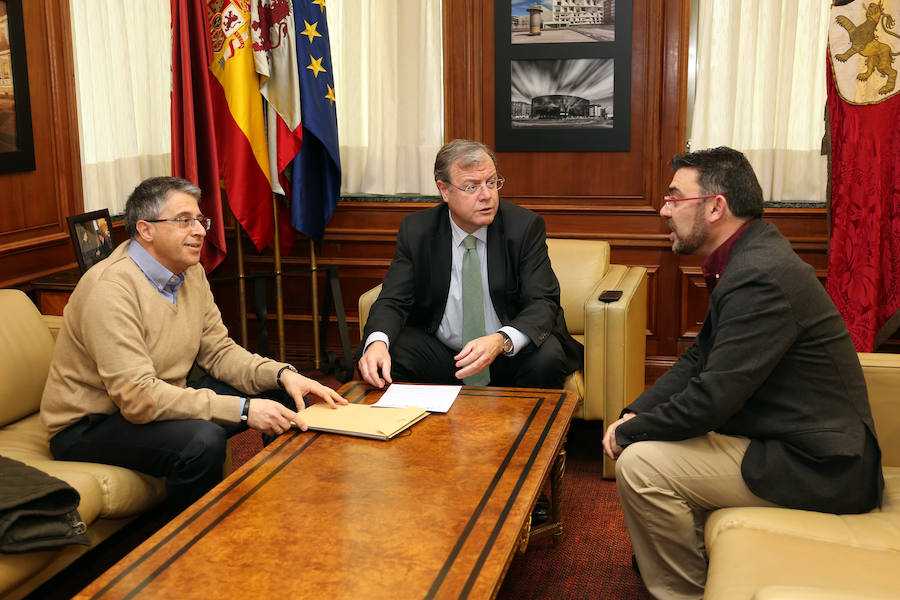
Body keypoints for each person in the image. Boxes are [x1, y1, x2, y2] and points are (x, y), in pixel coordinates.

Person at [601, 147, 884, 600]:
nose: (663, 210)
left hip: (821, 467)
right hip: (784, 439)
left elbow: (712, 399)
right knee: (645, 439)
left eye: (675, 198)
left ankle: (686, 593)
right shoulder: (750, 255)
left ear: (715, 207)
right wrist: (636, 412)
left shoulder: (758, 274)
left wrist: (631, 433)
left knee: (640, 465)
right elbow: (699, 359)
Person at [41, 177, 346, 512]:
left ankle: (291, 506)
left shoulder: (191, 272)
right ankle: (193, 551)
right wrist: (243, 411)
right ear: (146, 230)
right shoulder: (110, 289)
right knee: (202, 441)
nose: (200, 230)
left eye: (200, 220)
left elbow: (219, 352)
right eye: (184, 221)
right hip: (92, 425)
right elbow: (139, 398)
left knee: (283, 393)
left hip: (162, 397)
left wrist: (281, 374)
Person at [357, 138, 583, 390]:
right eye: (472, 187)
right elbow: (392, 299)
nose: (486, 195)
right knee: (383, 352)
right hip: (446, 355)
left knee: (547, 356)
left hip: (507, 354)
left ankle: (538, 430)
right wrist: (377, 343)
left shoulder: (523, 228)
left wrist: (501, 340)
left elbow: (543, 302)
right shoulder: (418, 231)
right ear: (444, 190)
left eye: (491, 182)